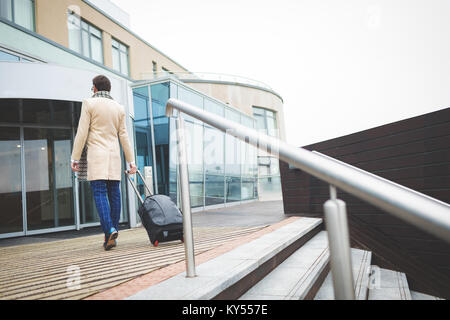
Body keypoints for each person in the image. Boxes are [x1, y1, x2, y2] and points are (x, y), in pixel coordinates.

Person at [71, 75, 137, 250]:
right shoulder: (119, 108)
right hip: (114, 157)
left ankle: (110, 229)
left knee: (99, 193)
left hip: (96, 157)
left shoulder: (89, 103)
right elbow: (124, 136)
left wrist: (75, 157)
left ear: (94, 88)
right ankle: (111, 237)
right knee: (114, 193)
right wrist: (131, 161)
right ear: (108, 89)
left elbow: (82, 132)